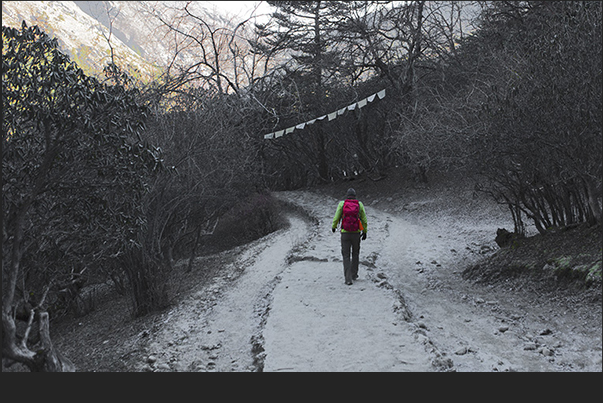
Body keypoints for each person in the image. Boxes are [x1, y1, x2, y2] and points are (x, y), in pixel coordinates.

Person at [331, 188, 368, 285]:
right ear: (355, 196)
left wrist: (334, 227)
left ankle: (348, 278)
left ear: (347, 196)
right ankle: (354, 274)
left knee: (346, 255)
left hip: (345, 233)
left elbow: (336, 217)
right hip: (356, 233)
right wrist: (365, 231)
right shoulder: (359, 205)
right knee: (355, 253)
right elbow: (364, 219)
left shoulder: (342, 204)